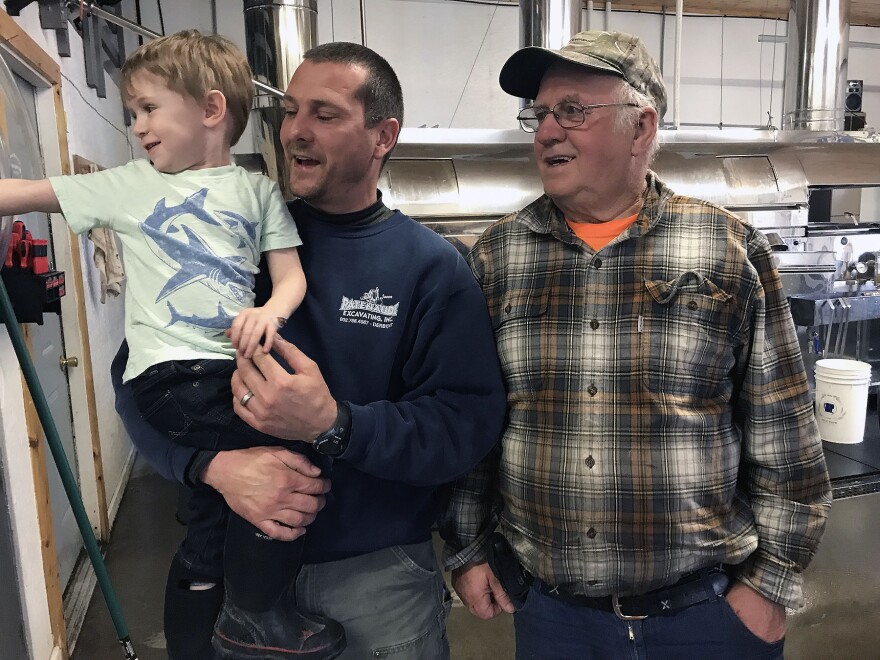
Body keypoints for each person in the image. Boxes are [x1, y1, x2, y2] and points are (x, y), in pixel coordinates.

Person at [440, 30, 832, 660]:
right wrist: (466, 548)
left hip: (707, 612)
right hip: (554, 617)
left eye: (572, 111)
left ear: (641, 127)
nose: (546, 132)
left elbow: (784, 430)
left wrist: (770, 583)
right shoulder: (499, 256)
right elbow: (474, 422)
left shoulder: (725, 248)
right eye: (539, 114)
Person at [112, 41, 507, 659]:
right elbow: (137, 378)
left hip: (374, 578)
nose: (295, 130)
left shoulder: (432, 269)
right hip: (232, 573)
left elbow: (464, 424)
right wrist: (211, 468)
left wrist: (336, 425)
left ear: (383, 136)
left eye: (324, 114)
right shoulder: (230, 240)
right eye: (290, 111)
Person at [0, 30, 348, 659]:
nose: (137, 127)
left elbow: (291, 276)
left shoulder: (256, 191)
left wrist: (269, 311)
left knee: (215, 515)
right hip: (171, 378)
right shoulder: (130, 184)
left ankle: (210, 628)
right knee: (297, 460)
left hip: (231, 371)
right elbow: (23, 195)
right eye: (134, 113)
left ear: (211, 110)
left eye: (149, 109)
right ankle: (256, 612)